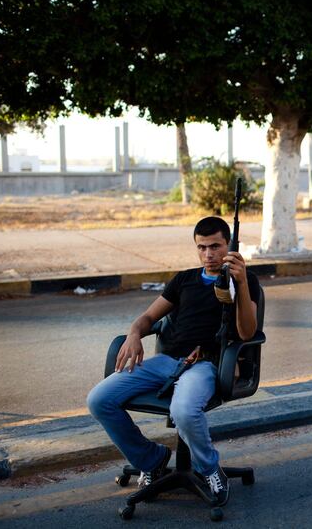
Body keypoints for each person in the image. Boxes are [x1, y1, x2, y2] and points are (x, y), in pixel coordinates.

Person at [86, 216, 259, 507]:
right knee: (99, 399)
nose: (208, 254)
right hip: (166, 362)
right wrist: (133, 334)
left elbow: (247, 331)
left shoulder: (244, 281)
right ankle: (151, 459)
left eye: (215, 246)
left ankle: (209, 469)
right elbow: (148, 318)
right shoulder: (184, 280)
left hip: (206, 364)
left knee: (184, 411)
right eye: (201, 247)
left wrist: (240, 283)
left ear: (228, 245)